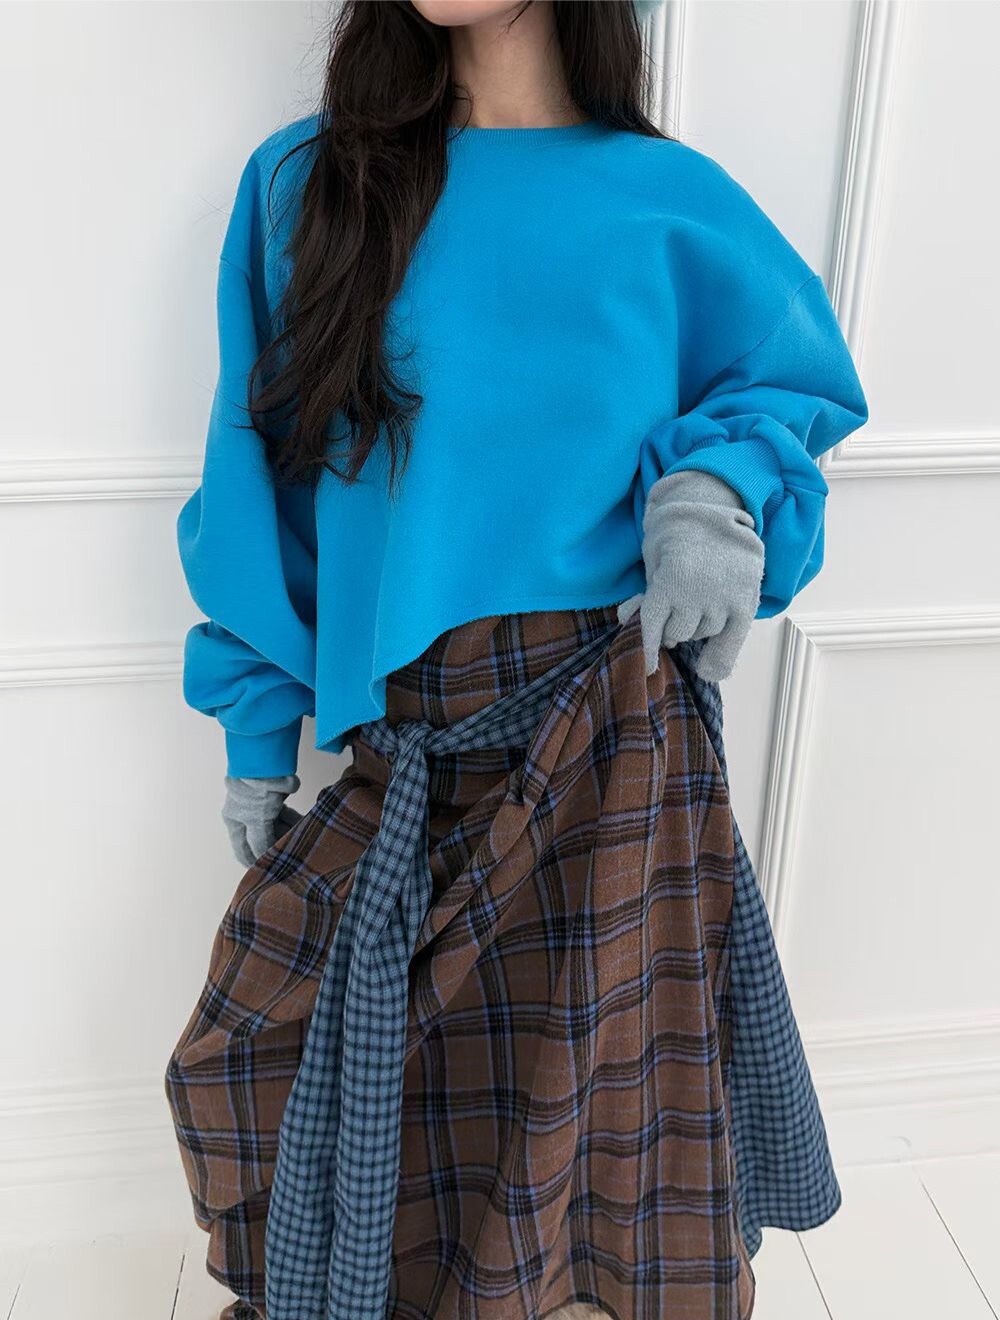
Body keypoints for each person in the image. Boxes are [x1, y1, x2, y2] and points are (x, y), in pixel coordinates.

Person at [164, 3, 869, 1319]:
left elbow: (790, 388)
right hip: (409, 749)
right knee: (244, 1061)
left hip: (611, 737)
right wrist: (256, 728)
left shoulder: (667, 197)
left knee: (578, 1152)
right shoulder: (306, 186)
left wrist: (714, 490)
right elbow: (253, 479)